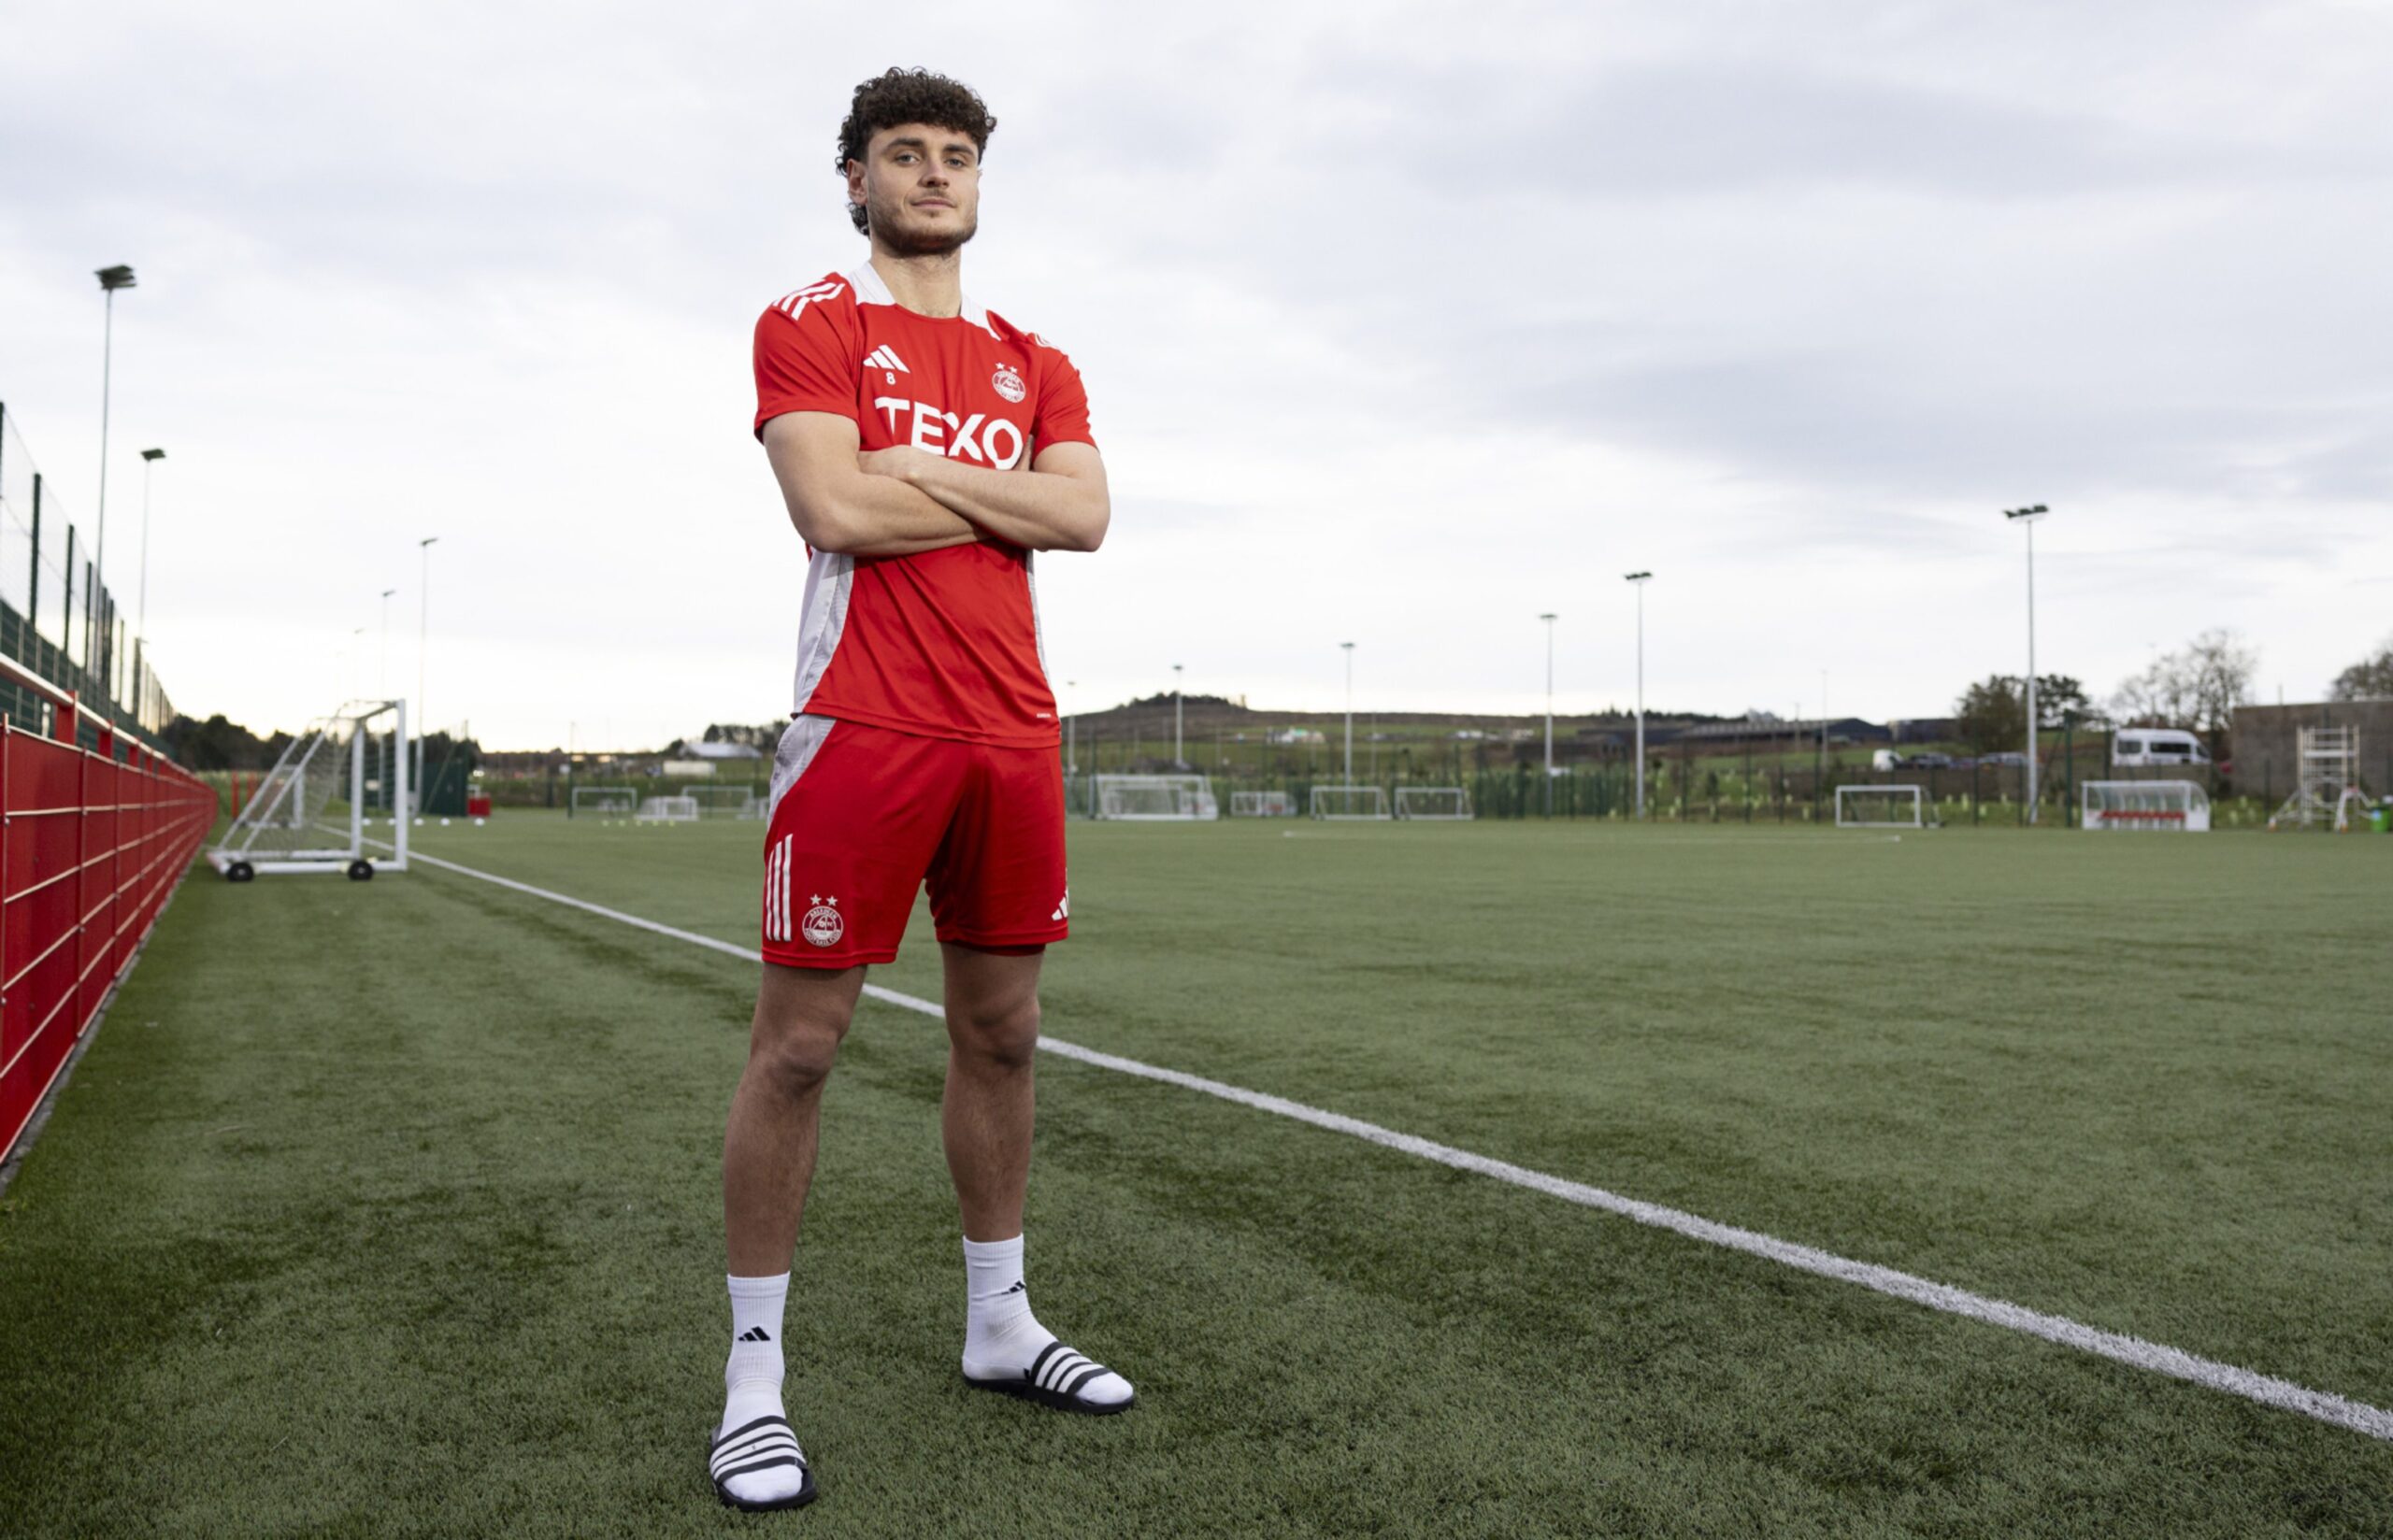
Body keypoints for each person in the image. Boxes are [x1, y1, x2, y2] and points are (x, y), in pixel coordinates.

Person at [708, 67, 1129, 1514]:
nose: (937, 176)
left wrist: (918, 470)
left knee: (1003, 1033)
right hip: (861, 726)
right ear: (856, 179)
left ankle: (1001, 1325)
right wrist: (979, 488)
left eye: (958, 157)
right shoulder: (812, 321)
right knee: (801, 1050)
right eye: (907, 155)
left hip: (1012, 733)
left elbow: (1085, 513)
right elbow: (831, 505)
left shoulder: (1038, 359)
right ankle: (753, 1380)